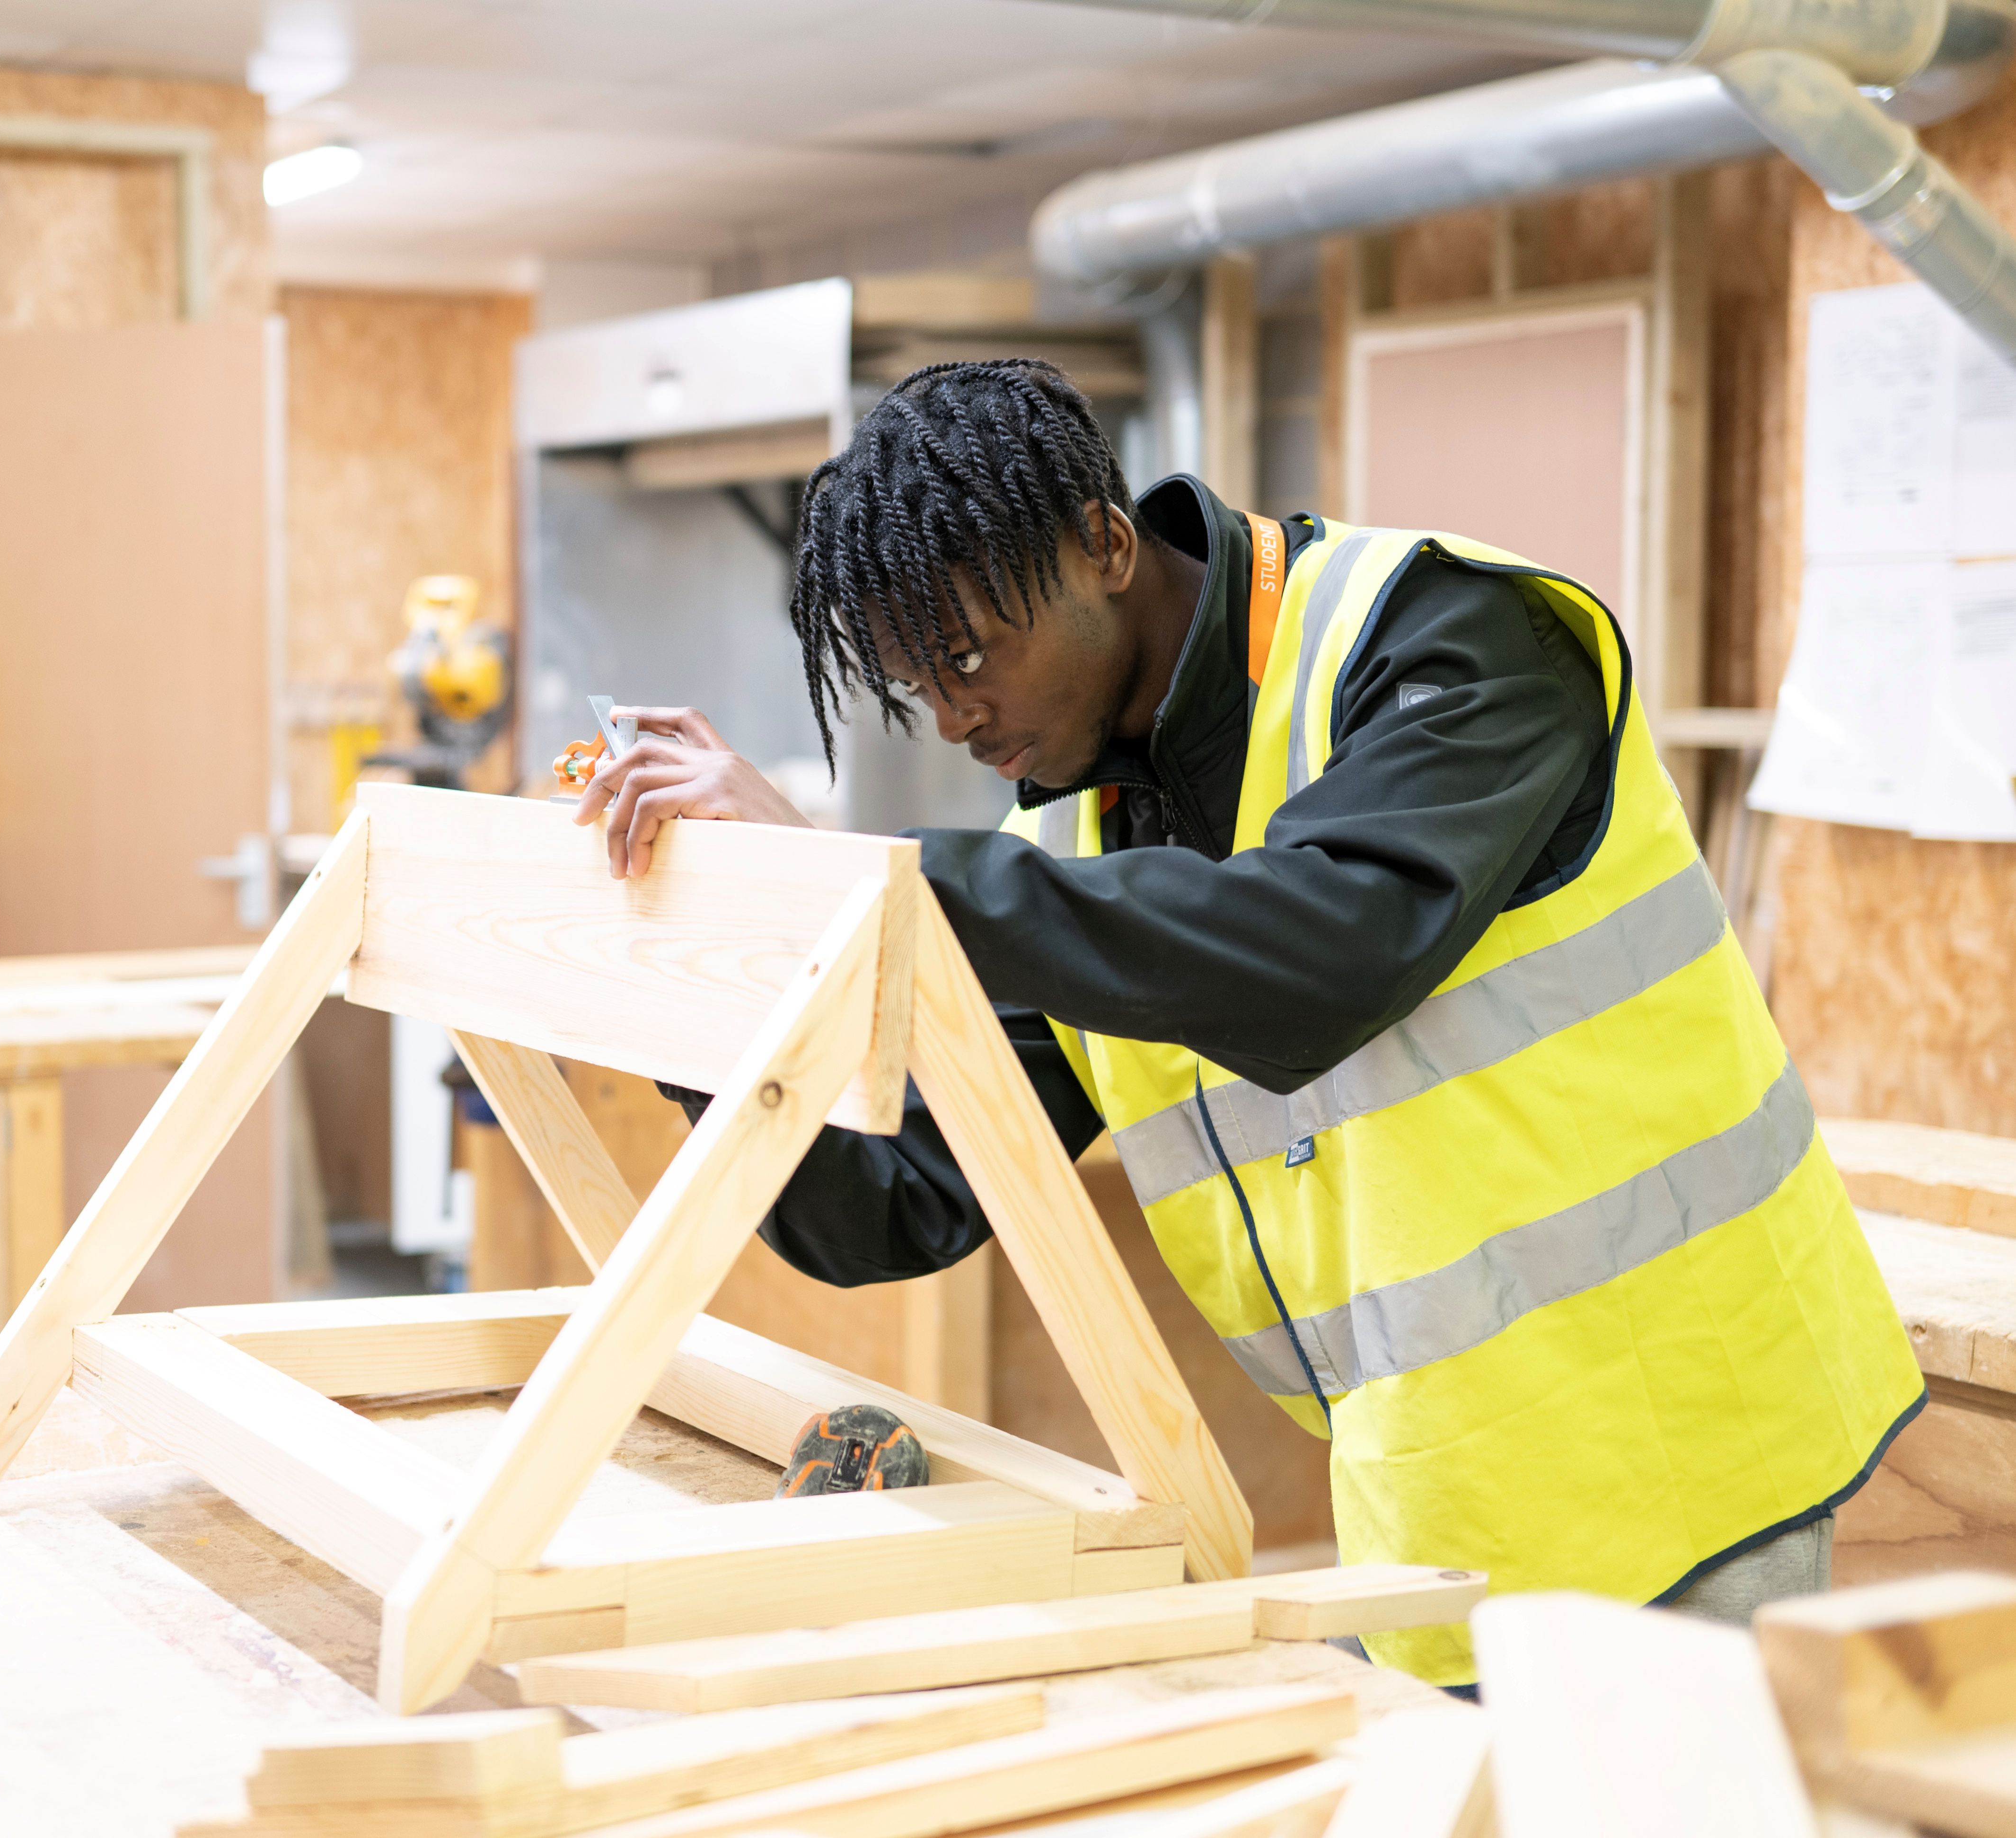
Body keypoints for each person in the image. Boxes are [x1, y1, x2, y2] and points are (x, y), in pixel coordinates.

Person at [570, 359, 1922, 1695]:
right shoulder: (1065, 830)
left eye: (972, 655)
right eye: (918, 686)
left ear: (1104, 544)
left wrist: (872, 881)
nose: (955, 715)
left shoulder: (1454, 641)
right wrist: (697, 975)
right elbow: (898, 1202)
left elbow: (1325, 954)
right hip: (1436, 1494)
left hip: (1688, 1440)